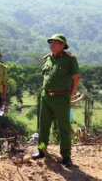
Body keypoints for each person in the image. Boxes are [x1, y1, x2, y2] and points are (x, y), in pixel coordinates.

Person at [32, 34, 81, 167]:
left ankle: (66, 156)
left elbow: (76, 77)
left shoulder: (69, 59)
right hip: (46, 97)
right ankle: (41, 150)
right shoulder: (47, 59)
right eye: (51, 42)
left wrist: (70, 95)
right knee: (43, 126)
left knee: (64, 127)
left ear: (63, 45)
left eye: (55, 42)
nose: (52, 45)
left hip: (61, 98)